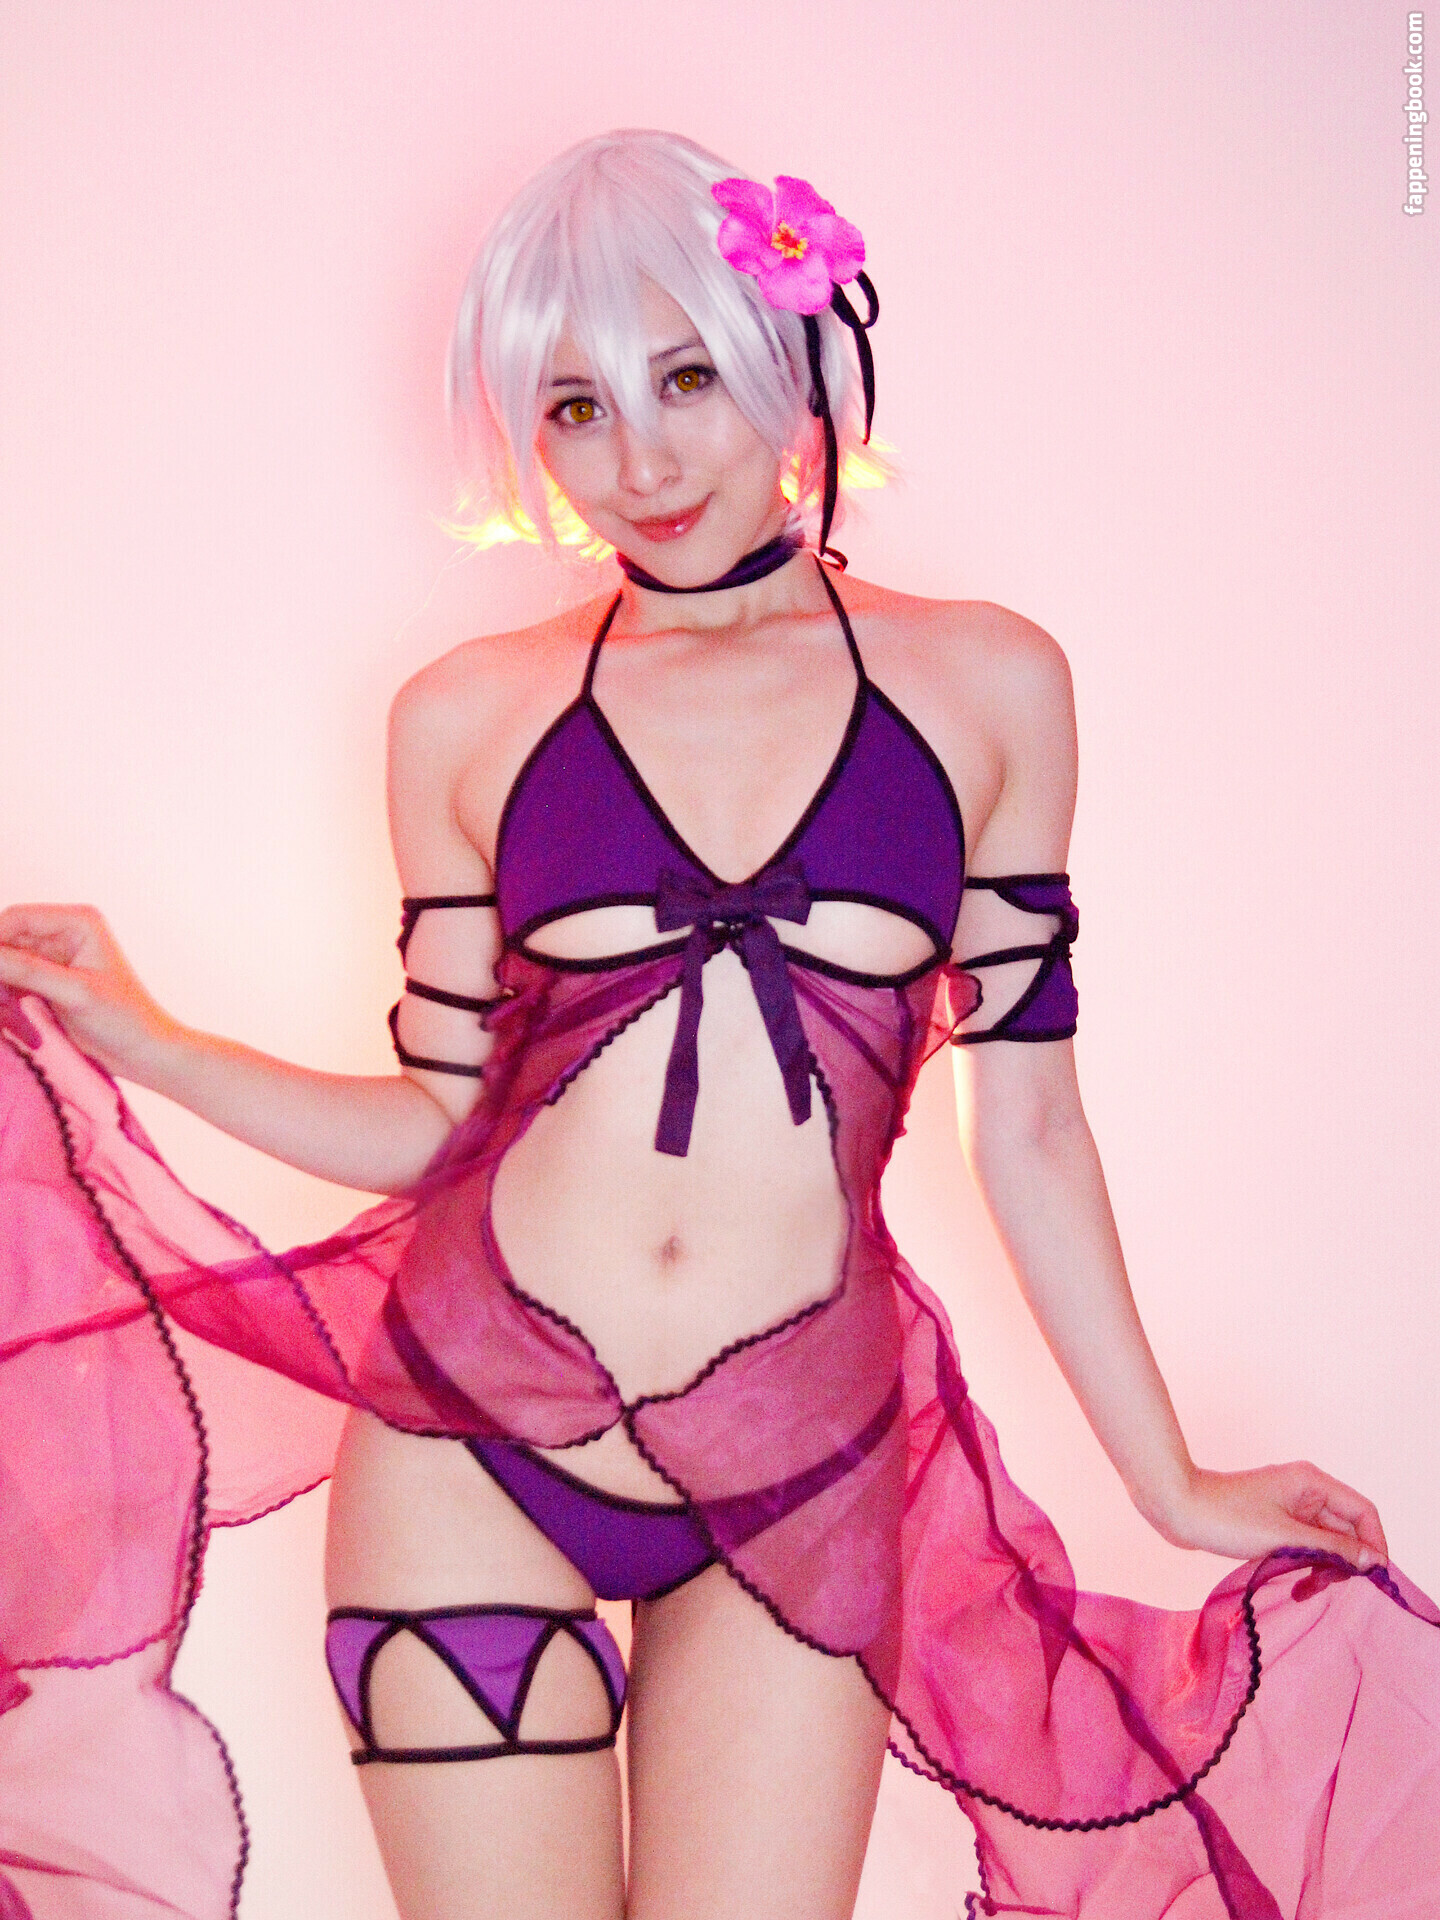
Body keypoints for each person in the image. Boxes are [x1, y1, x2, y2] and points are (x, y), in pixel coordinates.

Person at [0, 129, 1436, 1920]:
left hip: (796, 1460)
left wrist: (1175, 1478)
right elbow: (439, 1120)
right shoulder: (467, 716)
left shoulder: (989, 686)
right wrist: (142, 1034)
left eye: (685, 378)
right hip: (473, 1445)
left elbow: (1031, 1125)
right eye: (576, 407)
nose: (643, 459)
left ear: (794, 355)